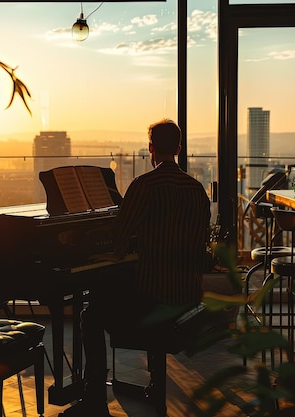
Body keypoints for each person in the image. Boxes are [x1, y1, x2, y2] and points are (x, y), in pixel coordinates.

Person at [60, 119, 211, 417]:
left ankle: (93, 396)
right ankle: (155, 384)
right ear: (179, 149)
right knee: (145, 286)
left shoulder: (144, 186)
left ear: (151, 149)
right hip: (187, 295)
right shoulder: (197, 191)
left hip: (152, 298)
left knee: (91, 313)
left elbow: (118, 239)